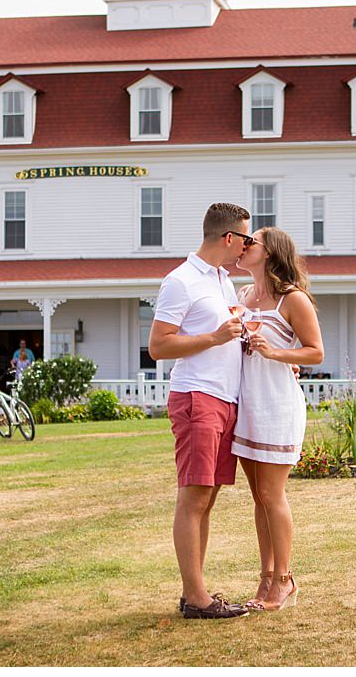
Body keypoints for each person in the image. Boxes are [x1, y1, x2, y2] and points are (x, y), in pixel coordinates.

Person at [148, 202, 253, 620]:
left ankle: (198, 591)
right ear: (229, 238)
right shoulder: (181, 281)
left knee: (206, 498)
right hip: (197, 397)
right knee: (193, 497)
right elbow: (159, 346)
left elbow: (223, 337)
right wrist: (214, 337)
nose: (248, 246)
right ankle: (196, 599)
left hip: (224, 398)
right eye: (246, 238)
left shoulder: (223, 283)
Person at [233, 227, 324, 611]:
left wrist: (275, 353)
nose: (243, 246)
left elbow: (316, 353)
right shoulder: (242, 296)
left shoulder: (293, 299)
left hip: (276, 406)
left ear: (269, 253)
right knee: (258, 499)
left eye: (250, 242)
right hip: (247, 406)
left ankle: (284, 581)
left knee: (273, 495)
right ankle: (265, 578)